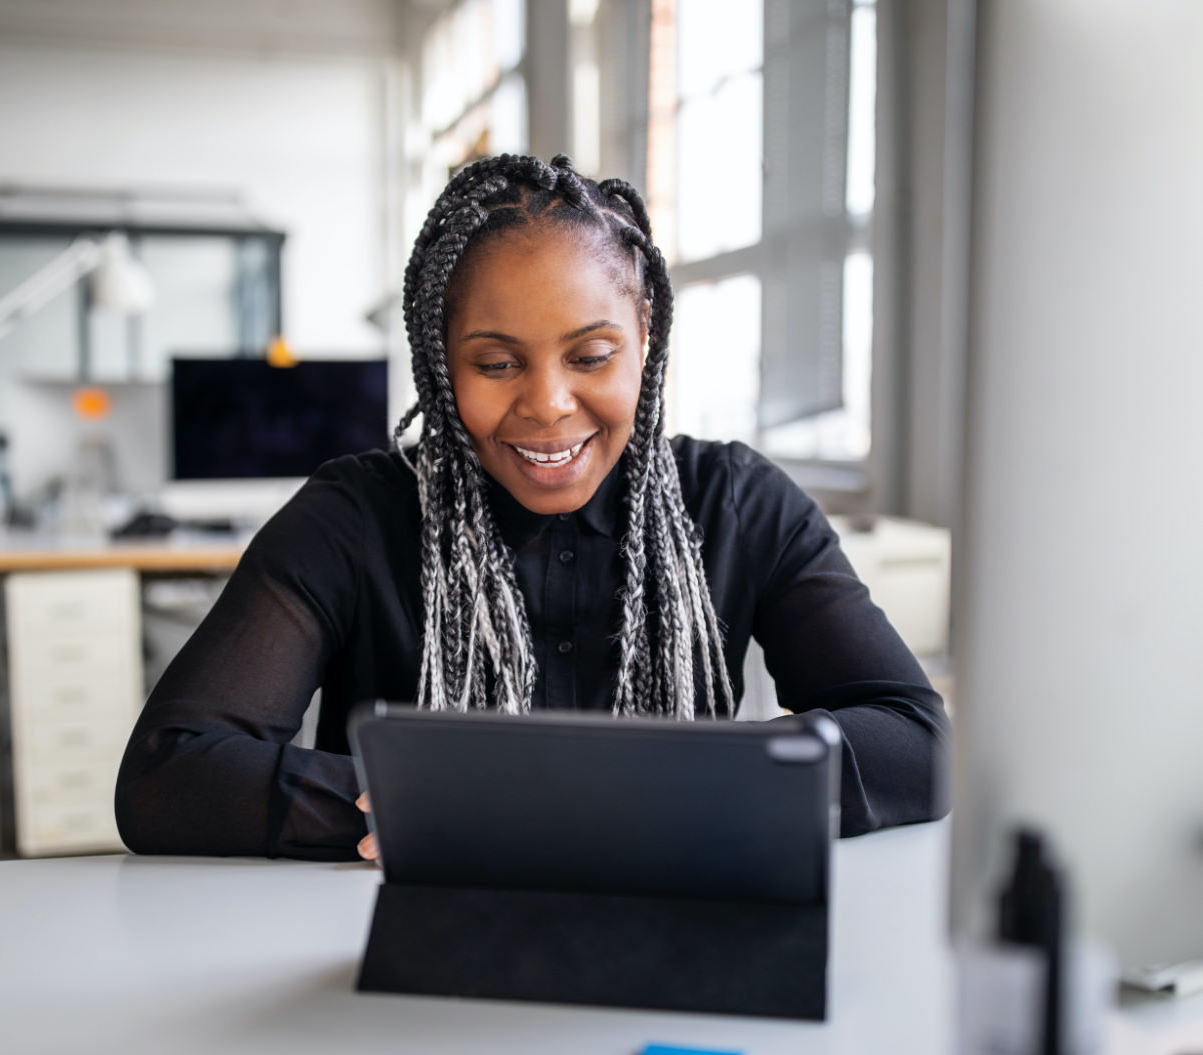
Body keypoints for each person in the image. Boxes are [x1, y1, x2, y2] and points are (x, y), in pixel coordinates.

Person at [115, 153, 949, 861]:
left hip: (673, 938)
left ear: (645, 336)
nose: (549, 404)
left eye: (590, 354)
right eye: (497, 363)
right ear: (441, 362)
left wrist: (673, 789)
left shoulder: (737, 504)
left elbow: (917, 742)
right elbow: (167, 776)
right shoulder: (352, 520)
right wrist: (424, 800)